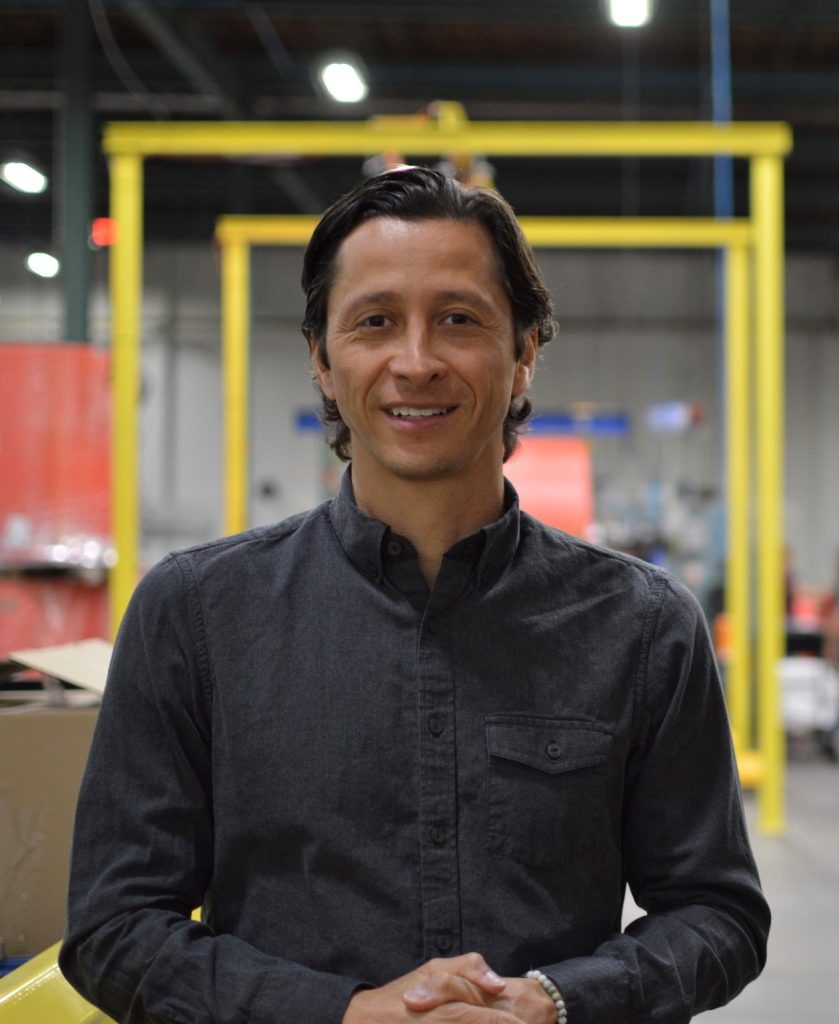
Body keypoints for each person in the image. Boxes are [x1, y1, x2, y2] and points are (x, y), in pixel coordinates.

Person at [59, 167, 769, 1024]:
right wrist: (345, 1014)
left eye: (459, 319)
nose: (417, 361)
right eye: (375, 322)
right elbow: (114, 928)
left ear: (523, 354)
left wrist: (554, 1002)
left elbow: (717, 914)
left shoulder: (643, 627)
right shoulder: (195, 615)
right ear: (323, 360)